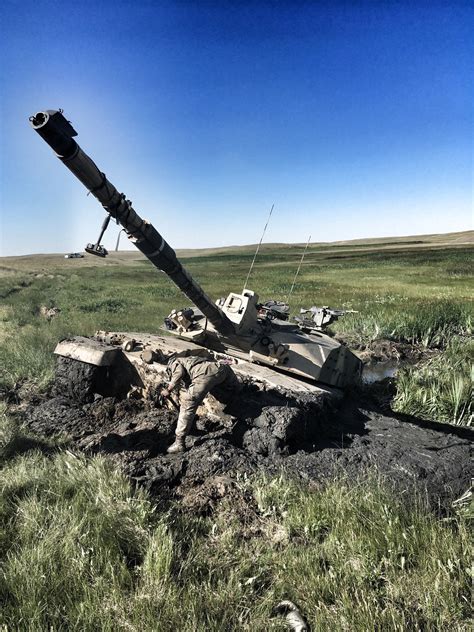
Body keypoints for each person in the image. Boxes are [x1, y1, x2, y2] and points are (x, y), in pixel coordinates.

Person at [161, 354, 240, 453]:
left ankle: (179, 443)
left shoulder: (175, 362)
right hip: (222, 369)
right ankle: (242, 393)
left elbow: (179, 372)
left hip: (203, 376)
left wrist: (169, 389)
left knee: (187, 405)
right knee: (235, 391)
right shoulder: (191, 359)